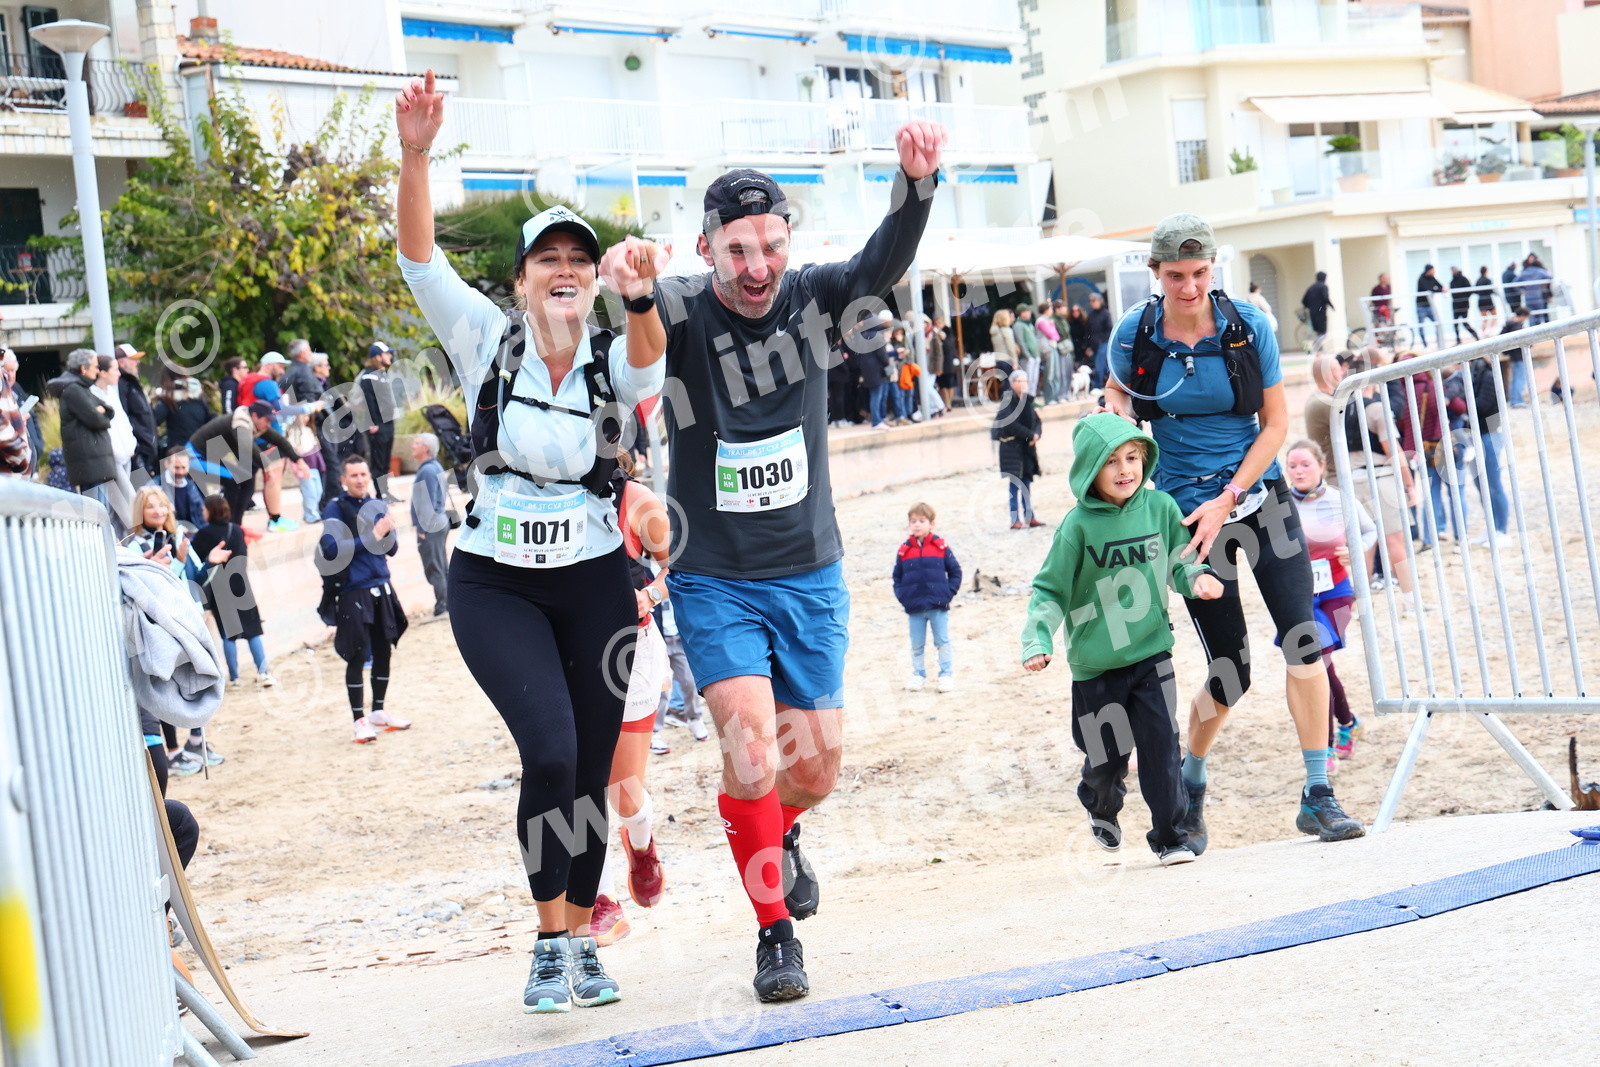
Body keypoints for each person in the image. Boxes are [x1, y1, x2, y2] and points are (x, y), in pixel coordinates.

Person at [647, 123, 943, 1003]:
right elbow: (623, 340)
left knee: (813, 771)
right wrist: (624, 291)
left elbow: (883, 261)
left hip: (809, 571)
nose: (757, 266)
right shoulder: (676, 309)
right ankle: (775, 932)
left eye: (771, 245)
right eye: (737, 249)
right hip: (713, 576)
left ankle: (776, 828)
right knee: (749, 746)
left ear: (788, 239)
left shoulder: (814, 299)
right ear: (704, 247)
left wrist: (916, 184)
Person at [394, 68, 666, 1012]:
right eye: (546, 258)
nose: (564, 269)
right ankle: (549, 939)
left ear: (592, 279)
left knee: (590, 768)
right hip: (496, 582)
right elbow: (419, 259)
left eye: (578, 259)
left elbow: (649, 370)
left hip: (593, 579)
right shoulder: (486, 338)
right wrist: (416, 156)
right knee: (549, 749)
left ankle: (582, 938)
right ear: (520, 280)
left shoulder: (609, 352)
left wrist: (640, 297)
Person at [1104, 213, 1365, 847]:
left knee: (1305, 641)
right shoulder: (1134, 332)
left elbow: (1275, 425)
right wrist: (1119, 419)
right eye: (1175, 275)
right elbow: (1118, 391)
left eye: (1199, 273)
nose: (1189, 287)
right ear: (1155, 273)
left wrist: (1231, 495)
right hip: (1186, 516)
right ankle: (1191, 780)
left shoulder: (1248, 327)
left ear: (1213, 267)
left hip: (1259, 497)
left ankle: (1318, 793)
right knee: (1231, 669)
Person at [1022, 413, 1224, 864]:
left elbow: (1181, 559)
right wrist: (1038, 639)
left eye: (1132, 458)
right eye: (1111, 461)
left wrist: (1197, 577)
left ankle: (1171, 837)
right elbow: (1049, 590)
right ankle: (1101, 805)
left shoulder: (1161, 508)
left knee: (1161, 747)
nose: (1125, 469)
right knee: (1106, 759)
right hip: (1096, 665)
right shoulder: (1077, 527)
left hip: (1151, 652)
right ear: (1090, 468)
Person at [590, 451, 673, 948]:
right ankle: (600, 899)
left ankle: (640, 840)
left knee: (623, 792)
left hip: (629, 652)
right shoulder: (541, 497)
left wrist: (650, 595)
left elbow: (681, 568)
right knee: (580, 780)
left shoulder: (637, 502)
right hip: (567, 651)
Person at [1283, 441, 1375, 766]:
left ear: (1321, 466)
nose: (1299, 471)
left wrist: (1355, 551)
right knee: (1317, 664)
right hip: (1298, 596)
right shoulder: (1280, 505)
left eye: (1305, 464)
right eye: (1292, 466)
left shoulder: (1339, 500)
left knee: (1318, 660)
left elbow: (1370, 531)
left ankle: (1326, 746)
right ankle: (1348, 723)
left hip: (1337, 592)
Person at [318, 454, 412, 742]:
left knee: (384, 651)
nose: (360, 480)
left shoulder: (376, 505)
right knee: (357, 656)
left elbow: (391, 549)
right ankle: (359, 720)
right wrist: (373, 535)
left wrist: (388, 530)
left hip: (382, 585)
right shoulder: (335, 508)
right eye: (354, 475)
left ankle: (378, 711)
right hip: (353, 590)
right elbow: (332, 548)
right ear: (343, 480)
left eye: (363, 475)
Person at [188, 493, 274, 690]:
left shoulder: (202, 535)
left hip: (219, 588)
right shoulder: (236, 530)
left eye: (204, 509)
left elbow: (196, 562)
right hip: (241, 585)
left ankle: (235, 678)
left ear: (211, 511)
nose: (202, 512)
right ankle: (264, 673)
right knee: (253, 632)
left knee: (228, 636)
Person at [187, 401, 310, 532]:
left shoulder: (254, 422)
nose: (268, 424)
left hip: (207, 457)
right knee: (235, 481)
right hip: (193, 458)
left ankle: (236, 527)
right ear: (255, 416)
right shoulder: (240, 424)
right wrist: (267, 466)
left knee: (246, 481)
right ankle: (226, 527)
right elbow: (247, 446)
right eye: (267, 420)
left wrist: (299, 461)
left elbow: (280, 440)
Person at [892, 501, 962, 693]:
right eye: (913, 521)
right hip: (914, 607)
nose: (917, 525)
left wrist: (947, 593)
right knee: (917, 645)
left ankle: (946, 675)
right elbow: (897, 577)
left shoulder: (941, 547)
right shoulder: (904, 550)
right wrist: (903, 597)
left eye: (922, 521)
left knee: (942, 641)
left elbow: (955, 572)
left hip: (938, 605)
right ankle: (918, 675)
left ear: (931, 524)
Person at [49, 349, 121, 517]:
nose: (97, 371)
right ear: (83, 368)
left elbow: (108, 410)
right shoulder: (73, 390)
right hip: (90, 463)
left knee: (100, 512)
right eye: (95, 367)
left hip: (94, 461)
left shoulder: (82, 388)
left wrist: (102, 412)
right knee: (95, 514)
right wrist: (101, 413)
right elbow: (96, 419)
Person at [409, 432, 453, 617]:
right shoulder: (434, 467)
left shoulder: (427, 470)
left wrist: (422, 529)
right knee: (441, 566)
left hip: (431, 525)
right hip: (439, 522)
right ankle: (448, 603)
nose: (413, 446)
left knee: (435, 567)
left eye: (416, 443)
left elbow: (427, 503)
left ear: (425, 448)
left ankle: (443, 606)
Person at [994, 369, 1043, 529]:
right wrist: (1030, 435)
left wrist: (1036, 434)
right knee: (1014, 483)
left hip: (1026, 448)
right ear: (1012, 383)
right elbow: (1011, 424)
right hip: (1012, 448)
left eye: (1025, 381)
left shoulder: (1027, 401)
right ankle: (1014, 518)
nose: (1023, 384)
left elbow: (1037, 421)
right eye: (1020, 381)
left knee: (1026, 481)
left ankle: (1030, 516)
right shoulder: (1007, 402)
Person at [357, 342, 400, 500]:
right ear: (378, 356)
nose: (390, 356)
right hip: (377, 425)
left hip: (388, 422)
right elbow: (367, 401)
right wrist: (372, 423)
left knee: (386, 459)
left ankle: (385, 491)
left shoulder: (381, 374)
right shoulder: (368, 376)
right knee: (378, 460)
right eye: (386, 353)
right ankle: (381, 493)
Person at [112, 344, 160, 477]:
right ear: (121, 362)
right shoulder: (122, 384)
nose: (137, 362)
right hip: (137, 452)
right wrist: (134, 446)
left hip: (144, 450)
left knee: (145, 487)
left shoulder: (131, 383)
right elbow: (122, 417)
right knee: (139, 488)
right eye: (133, 359)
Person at [152, 373, 213, 456]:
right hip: (200, 451)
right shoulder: (199, 398)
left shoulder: (168, 399)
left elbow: (152, 421)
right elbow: (213, 420)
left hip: (178, 452)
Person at [0, 351, 31, 476]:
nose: (10, 375)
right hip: (8, 473)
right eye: (7, 370)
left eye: (13, 371)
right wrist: (22, 459)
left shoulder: (17, 389)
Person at [161, 448, 207, 530]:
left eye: (184, 467)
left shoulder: (191, 486)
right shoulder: (156, 486)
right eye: (176, 467)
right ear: (166, 464)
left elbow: (201, 515)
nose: (181, 472)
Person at [1501, 305, 1532, 408]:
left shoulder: (1509, 324)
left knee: (1515, 379)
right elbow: (1521, 341)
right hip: (1518, 356)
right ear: (1523, 315)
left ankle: (1515, 400)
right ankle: (1517, 401)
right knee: (1520, 378)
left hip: (1513, 356)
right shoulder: (1516, 326)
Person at [932, 315, 959, 412]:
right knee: (942, 383)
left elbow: (949, 346)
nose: (937, 325)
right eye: (936, 324)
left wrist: (942, 338)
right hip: (939, 361)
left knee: (950, 383)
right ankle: (946, 403)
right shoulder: (934, 333)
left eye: (939, 323)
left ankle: (949, 403)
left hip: (948, 360)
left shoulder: (948, 332)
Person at [1514, 255, 1553, 325]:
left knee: (1531, 316)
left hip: (1528, 297)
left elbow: (1515, 282)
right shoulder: (1539, 271)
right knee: (1540, 316)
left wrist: (1521, 290)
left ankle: (1534, 329)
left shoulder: (1524, 272)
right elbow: (1550, 277)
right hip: (1538, 297)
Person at [1086, 292, 1113, 390]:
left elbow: (1109, 329)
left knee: (1099, 365)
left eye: (1093, 301)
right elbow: (1087, 331)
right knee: (1104, 366)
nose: (1091, 303)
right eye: (1090, 301)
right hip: (1094, 344)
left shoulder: (1105, 313)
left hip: (1103, 342)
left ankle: (1097, 386)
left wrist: (1101, 339)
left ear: (1099, 301)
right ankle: (1111, 383)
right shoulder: (1091, 315)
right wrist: (1087, 346)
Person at [1300, 271, 1333, 347]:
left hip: (1312, 312)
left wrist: (1311, 306)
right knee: (1323, 333)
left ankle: (1317, 348)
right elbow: (1325, 297)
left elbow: (1304, 301)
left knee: (1318, 332)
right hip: (1321, 312)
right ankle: (1310, 344)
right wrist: (1331, 306)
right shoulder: (1323, 287)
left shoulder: (1311, 288)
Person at [1447, 267, 1479, 344]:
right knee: (1456, 324)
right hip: (1456, 305)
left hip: (1463, 305)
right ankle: (1458, 340)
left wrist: (1464, 298)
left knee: (1464, 323)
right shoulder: (1452, 281)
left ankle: (1476, 336)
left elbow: (1470, 290)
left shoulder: (1463, 279)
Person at [1415, 265, 1443, 348]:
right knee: (1421, 326)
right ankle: (1425, 345)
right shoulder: (1421, 279)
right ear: (1428, 271)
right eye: (1432, 271)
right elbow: (1427, 289)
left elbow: (1440, 287)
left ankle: (1439, 343)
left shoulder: (1432, 278)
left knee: (1438, 323)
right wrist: (1436, 290)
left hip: (1429, 306)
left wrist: (1438, 289)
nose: (1434, 272)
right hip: (1421, 306)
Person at [1475, 266, 1499, 335]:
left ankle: (1484, 333)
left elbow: (1475, 291)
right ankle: (1490, 330)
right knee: (1495, 316)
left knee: (1485, 319)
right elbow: (1491, 290)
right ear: (1486, 271)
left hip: (1481, 300)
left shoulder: (1478, 280)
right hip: (1488, 300)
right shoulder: (1488, 280)